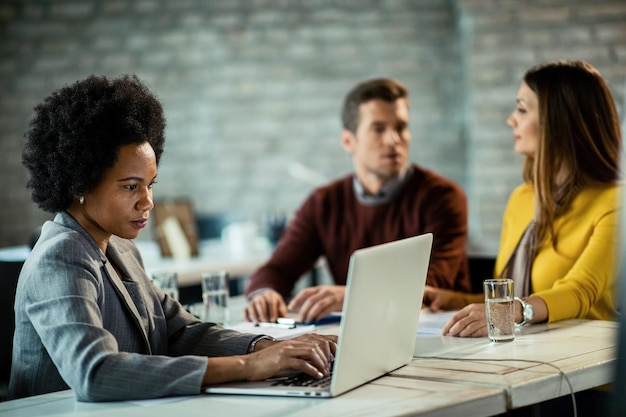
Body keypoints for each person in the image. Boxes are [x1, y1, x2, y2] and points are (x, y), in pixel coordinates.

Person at [9, 75, 336, 402]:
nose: (148, 201)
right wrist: (249, 366)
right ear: (80, 184)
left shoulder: (121, 246)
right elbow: (96, 373)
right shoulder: (60, 257)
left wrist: (273, 348)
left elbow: (181, 330)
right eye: (130, 186)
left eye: (150, 184)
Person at [245, 78, 470, 324]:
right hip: (359, 332)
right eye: (378, 129)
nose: (393, 139)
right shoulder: (324, 202)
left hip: (441, 335)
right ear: (348, 141)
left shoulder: (443, 197)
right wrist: (265, 294)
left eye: (401, 127)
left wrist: (353, 296)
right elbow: (277, 269)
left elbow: (432, 285)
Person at [423, 60, 621, 339]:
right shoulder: (522, 198)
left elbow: (580, 291)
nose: (511, 119)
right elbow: (508, 300)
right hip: (523, 357)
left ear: (559, 122)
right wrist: (451, 300)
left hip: (585, 369)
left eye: (522, 109)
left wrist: (516, 310)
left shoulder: (614, 202)